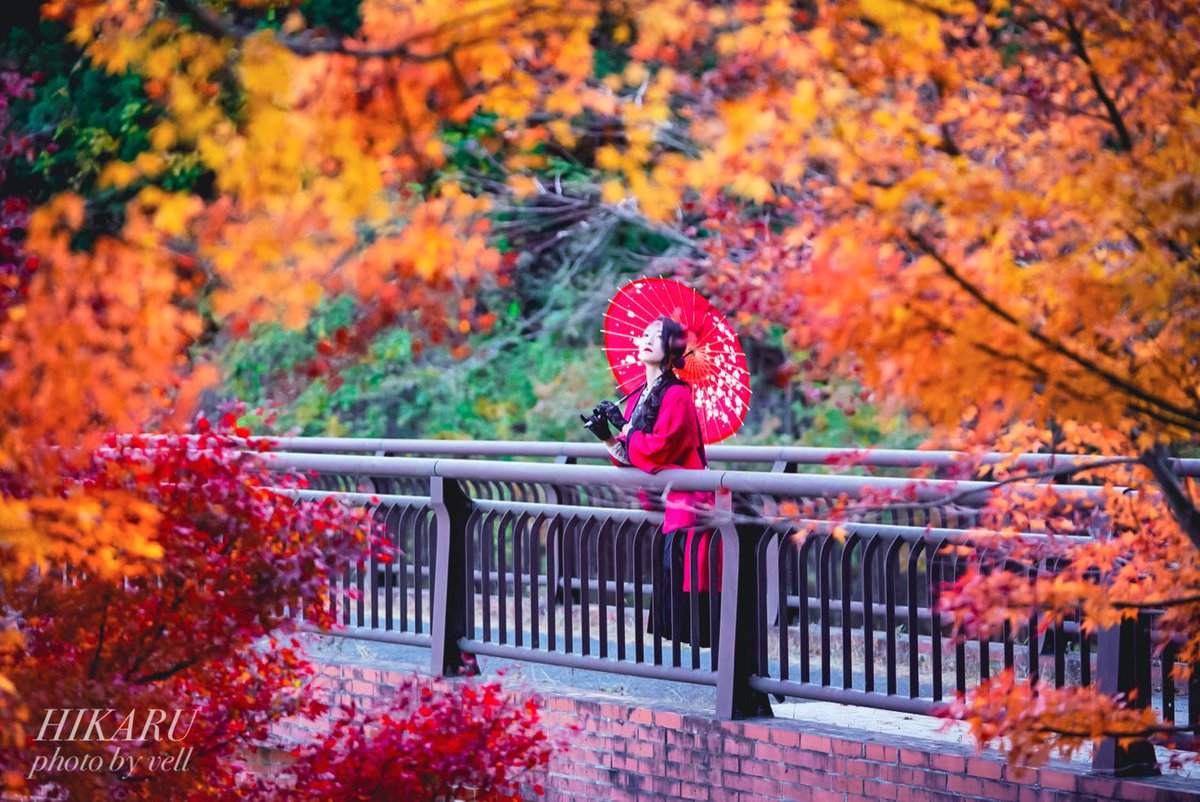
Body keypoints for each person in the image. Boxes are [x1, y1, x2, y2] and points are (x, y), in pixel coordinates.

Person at [581, 316, 716, 645]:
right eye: (644, 334)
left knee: (687, 576)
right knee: (672, 573)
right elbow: (633, 457)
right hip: (670, 502)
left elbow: (660, 448)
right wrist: (607, 437)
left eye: (658, 336)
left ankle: (724, 671)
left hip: (691, 501)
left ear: (672, 349)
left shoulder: (679, 394)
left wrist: (626, 429)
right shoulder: (639, 395)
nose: (647, 339)